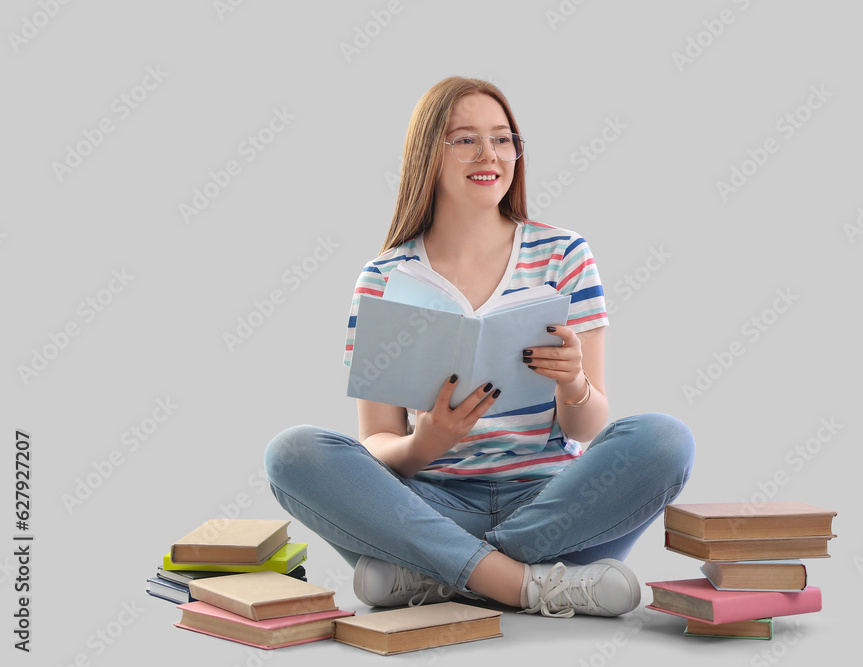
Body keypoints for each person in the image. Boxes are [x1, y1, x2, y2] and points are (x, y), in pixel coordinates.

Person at [264, 76, 695, 618]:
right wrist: (424, 445)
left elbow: (587, 429)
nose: (488, 153)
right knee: (293, 454)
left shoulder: (565, 255)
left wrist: (574, 383)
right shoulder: (384, 277)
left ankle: (437, 575)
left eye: (503, 138)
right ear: (428, 154)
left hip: (555, 507)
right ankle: (529, 586)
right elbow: (375, 440)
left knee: (664, 440)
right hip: (429, 506)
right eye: (464, 138)